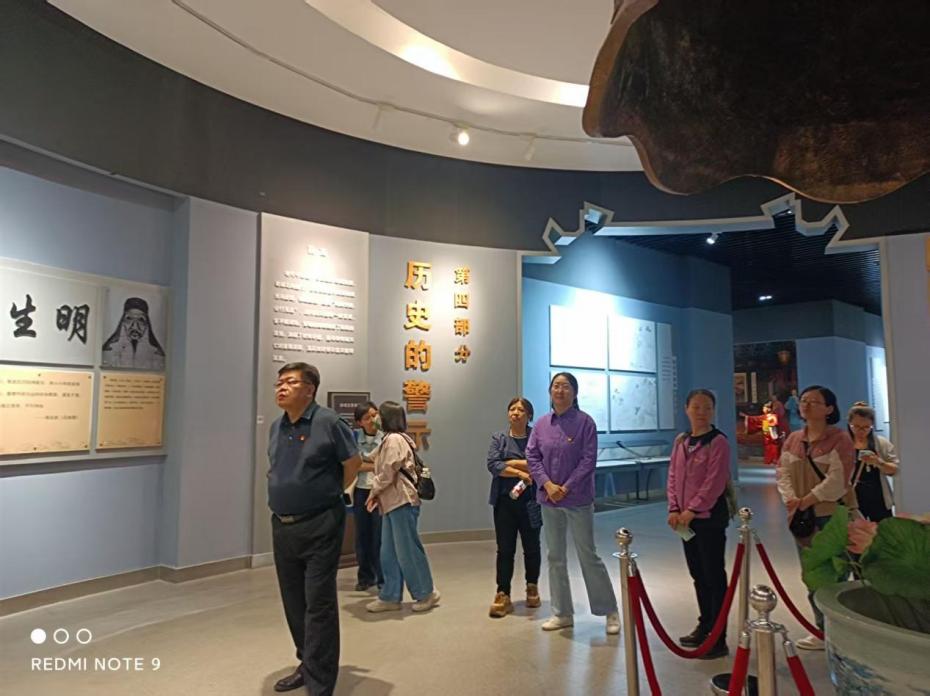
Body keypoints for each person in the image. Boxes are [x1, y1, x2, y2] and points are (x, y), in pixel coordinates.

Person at [267, 363, 362, 696]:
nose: (281, 387)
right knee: (294, 602)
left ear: (309, 389)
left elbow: (352, 463)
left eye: (290, 382)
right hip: (283, 525)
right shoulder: (277, 427)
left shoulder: (328, 422)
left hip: (321, 523)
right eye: (279, 382)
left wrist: (330, 493)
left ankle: (320, 683)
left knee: (318, 603)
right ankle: (307, 663)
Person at [526, 372, 620, 635]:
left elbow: (588, 461)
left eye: (565, 387)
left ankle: (609, 611)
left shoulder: (585, 423)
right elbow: (532, 456)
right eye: (556, 386)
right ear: (550, 391)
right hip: (549, 500)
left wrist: (565, 487)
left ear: (575, 393)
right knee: (555, 556)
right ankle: (562, 613)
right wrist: (547, 484)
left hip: (577, 499)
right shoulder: (542, 424)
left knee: (588, 555)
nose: (560, 391)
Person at [776, 384, 857, 651]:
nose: (806, 405)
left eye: (814, 401)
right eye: (804, 400)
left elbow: (837, 480)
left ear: (829, 408)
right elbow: (782, 472)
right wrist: (791, 499)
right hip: (802, 517)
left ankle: (839, 631)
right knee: (811, 573)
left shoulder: (840, 439)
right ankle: (821, 629)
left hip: (830, 516)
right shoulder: (794, 439)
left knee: (835, 573)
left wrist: (807, 499)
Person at [666, 389, 732, 660]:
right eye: (696, 407)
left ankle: (718, 637)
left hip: (708, 520)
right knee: (698, 575)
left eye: (707, 407)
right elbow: (673, 475)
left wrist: (692, 509)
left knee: (714, 576)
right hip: (685, 521)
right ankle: (704, 625)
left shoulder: (718, 442)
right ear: (687, 409)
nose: (701, 412)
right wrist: (674, 507)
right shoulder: (682, 441)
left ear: (713, 411)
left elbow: (714, 482)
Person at [365, 401, 440, 613]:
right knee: (388, 551)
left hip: (402, 501)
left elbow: (388, 472)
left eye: (378, 415)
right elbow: (372, 460)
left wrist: (373, 492)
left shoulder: (395, 439)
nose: (375, 419)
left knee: (408, 551)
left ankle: (426, 593)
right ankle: (390, 596)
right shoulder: (389, 439)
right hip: (392, 503)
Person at [486, 397, 542, 618]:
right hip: (504, 502)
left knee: (532, 546)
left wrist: (509, 463)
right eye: (512, 409)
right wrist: (520, 471)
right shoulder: (499, 438)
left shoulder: (536, 437)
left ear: (529, 415)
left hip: (531, 500)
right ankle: (503, 593)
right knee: (505, 549)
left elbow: (540, 464)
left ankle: (532, 586)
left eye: (521, 410)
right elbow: (493, 465)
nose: (515, 413)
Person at [847, 401, 900, 522]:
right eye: (856, 427)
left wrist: (878, 462)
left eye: (866, 427)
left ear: (872, 425)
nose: (861, 431)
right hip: (852, 498)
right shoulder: (842, 444)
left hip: (879, 497)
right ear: (849, 424)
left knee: (884, 531)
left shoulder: (881, 443)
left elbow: (894, 470)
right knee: (856, 531)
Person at [352, 401, 384, 591]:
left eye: (374, 415)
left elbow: (387, 465)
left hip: (381, 492)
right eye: (367, 418)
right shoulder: (354, 438)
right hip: (361, 491)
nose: (372, 420)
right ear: (359, 422)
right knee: (362, 536)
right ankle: (365, 577)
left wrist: (365, 464)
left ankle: (382, 578)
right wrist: (374, 465)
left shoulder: (386, 437)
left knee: (380, 537)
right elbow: (353, 465)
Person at [101, 297, 166, 369]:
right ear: (123, 322)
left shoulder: (157, 355)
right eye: (129, 319)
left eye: (141, 320)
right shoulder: (109, 352)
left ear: (147, 324)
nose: (135, 326)